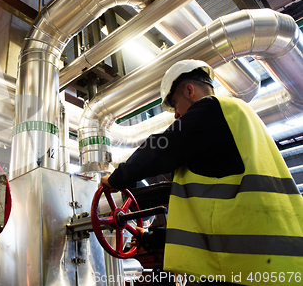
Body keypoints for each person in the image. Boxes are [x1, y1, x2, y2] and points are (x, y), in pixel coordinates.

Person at [101, 59, 303, 286]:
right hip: (273, 260)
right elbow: (210, 214)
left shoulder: (214, 109)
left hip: (248, 267)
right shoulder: (238, 118)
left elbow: (160, 148)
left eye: (176, 105)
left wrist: (117, 179)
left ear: (189, 90)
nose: (177, 115)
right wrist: (152, 237)